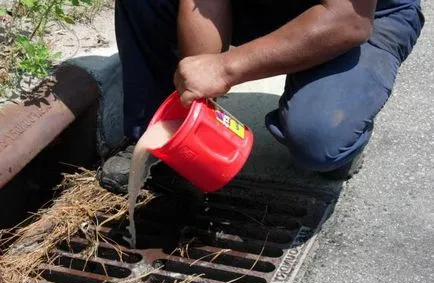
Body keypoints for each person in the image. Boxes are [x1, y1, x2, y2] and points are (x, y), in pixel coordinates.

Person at [98, 0, 424, 194]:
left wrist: (227, 68)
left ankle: (344, 130)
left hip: (360, 15)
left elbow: (347, 21)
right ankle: (155, 132)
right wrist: (197, 96)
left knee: (319, 137)